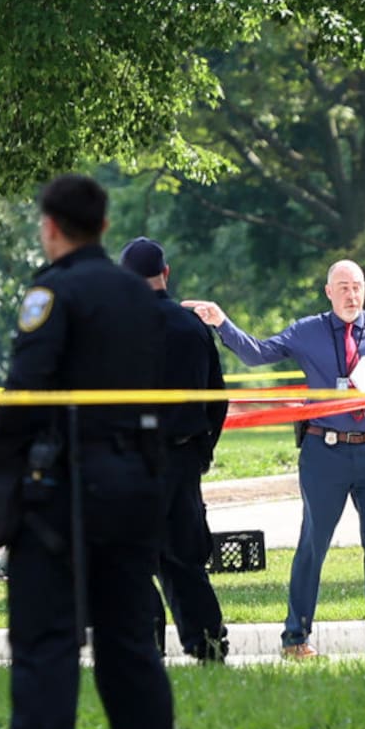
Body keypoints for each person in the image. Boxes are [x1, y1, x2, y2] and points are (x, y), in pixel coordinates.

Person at [0, 176, 178, 729]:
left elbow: (26, 397)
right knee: (131, 644)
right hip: (136, 486)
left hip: (65, 493)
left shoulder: (53, 293)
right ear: (104, 225)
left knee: (46, 643)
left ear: (51, 226)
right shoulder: (140, 298)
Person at [184, 261, 365, 658]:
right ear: (328, 292)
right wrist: (221, 322)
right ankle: (296, 638)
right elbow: (258, 354)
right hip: (324, 452)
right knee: (313, 545)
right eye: (343, 287)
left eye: (358, 287)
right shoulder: (308, 330)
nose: (351, 295)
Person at [119, 237, 229, 663]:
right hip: (182, 460)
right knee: (184, 560)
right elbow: (217, 398)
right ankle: (208, 645)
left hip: (132, 462)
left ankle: (144, 649)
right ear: (165, 274)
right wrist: (202, 449)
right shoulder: (193, 327)